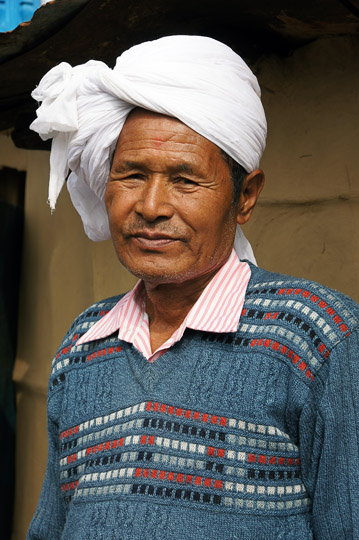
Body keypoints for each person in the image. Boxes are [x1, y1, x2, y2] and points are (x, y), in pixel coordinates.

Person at [27, 36, 359, 540]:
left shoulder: (320, 338)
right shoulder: (81, 346)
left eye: (185, 180)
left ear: (245, 196)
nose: (152, 206)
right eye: (132, 175)